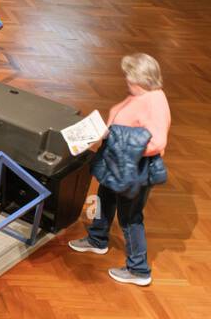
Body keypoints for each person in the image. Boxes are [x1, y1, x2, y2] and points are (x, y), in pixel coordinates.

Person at [69, 53, 171, 287]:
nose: (126, 81)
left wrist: (113, 136)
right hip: (119, 161)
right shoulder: (142, 94)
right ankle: (97, 239)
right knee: (103, 198)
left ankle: (139, 270)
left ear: (143, 79)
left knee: (130, 218)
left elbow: (156, 142)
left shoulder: (154, 102)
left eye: (130, 78)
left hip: (134, 169)